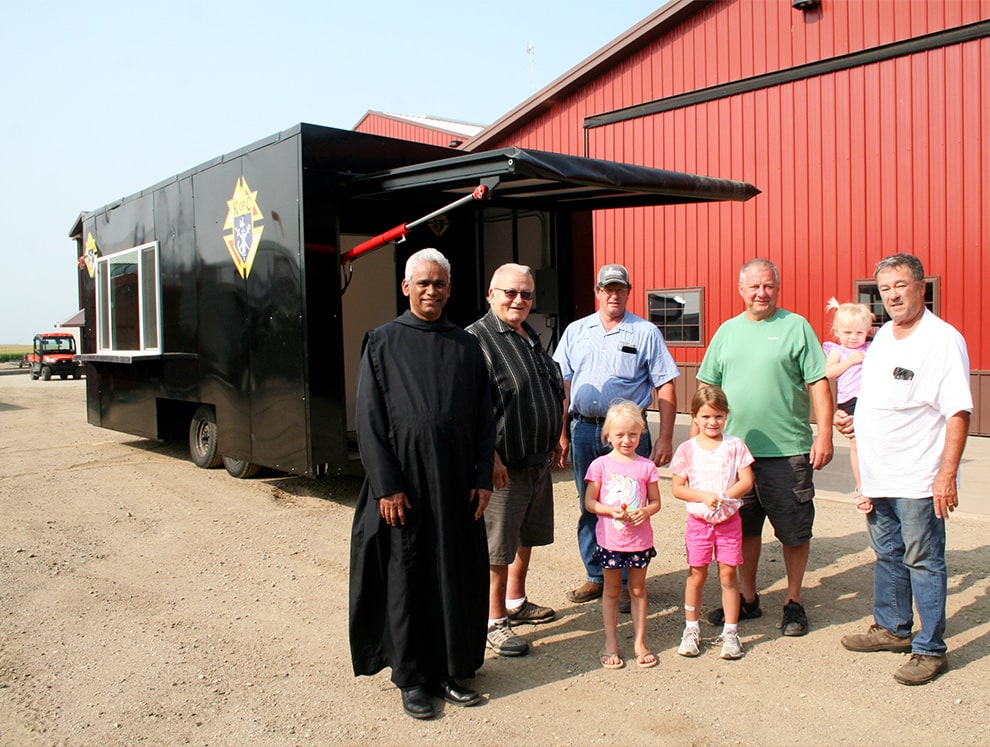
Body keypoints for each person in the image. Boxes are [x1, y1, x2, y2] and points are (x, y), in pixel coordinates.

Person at [348, 248, 496, 720]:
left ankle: (451, 670)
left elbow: (483, 418)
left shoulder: (466, 346)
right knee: (408, 578)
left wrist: (481, 476)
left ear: (450, 288)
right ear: (406, 287)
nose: (432, 290)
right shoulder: (382, 342)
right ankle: (412, 677)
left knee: (455, 576)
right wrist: (386, 485)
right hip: (404, 488)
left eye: (440, 283)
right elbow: (369, 421)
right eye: (423, 283)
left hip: (456, 485)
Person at [837, 253, 971, 686]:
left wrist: (946, 475)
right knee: (888, 556)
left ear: (921, 288)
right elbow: (881, 398)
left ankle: (930, 649)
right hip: (878, 475)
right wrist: (851, 417)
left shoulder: (942, 339)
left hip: (917, 477)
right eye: (885, 288)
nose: (892, 295)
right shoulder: (883, 340)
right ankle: (893, 629)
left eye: (900, 285)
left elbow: (957, 412)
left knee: (923, 560)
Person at [696, 258, 833, 636]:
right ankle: (748, 596)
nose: (761, 292)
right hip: (736, 455)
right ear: (740, 289)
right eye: (754, 286)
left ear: (777, 287)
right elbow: (708, 389)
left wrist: (824, 434)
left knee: (793, 530)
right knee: (743, 530)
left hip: (787, 452)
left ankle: (793, 601)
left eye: (769, 285)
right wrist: (703, 440)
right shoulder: (726, 332)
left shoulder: (796, 327)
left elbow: (818, 384)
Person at [554, 263, 679, 612]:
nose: (613, 294)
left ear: (628, 291)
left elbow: (666, 383)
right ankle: (598, 576)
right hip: (583, 429)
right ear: (597, 292)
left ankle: (628, 582)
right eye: (607, 288)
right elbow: (563, 384)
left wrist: (666, 437)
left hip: (627, 438)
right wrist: (560, 432)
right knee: (590, 504)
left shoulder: (645, 332)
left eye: (619, 289)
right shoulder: (577, 331)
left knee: (631, 505)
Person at [466, 263, 565, 658]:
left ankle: (515, 601)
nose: (519, 300)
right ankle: (494, 621)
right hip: (504, 465)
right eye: (510, 293)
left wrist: (558, 435)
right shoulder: (477, 340)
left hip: (537, 459)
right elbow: (471, 410)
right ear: (491, 294)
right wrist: (488, 458)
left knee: (527, 536)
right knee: (498, 547)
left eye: (525, 294)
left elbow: (549, 387)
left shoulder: (529, 335)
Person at [669, 385, 754, 660]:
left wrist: (726, 495)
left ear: (726, 416)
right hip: (699, 523)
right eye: (705, 417)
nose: (712, 422)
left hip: (729, 521)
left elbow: (747, 480)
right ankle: (691, 628)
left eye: (718, 416)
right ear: (694, 417)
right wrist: (703, 496)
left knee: (728, 575)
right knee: (697, 574)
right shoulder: (687, 449)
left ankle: (731, 632)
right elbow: (678, 487)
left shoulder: (735, 445)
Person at [583, 400, 662, 669]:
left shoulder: (646, 467)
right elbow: (590, 503)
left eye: (633, 434)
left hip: (639, 541)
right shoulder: (600, 465)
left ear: (641, 434)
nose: (626, 440)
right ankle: (610, 642)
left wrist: (646, 512)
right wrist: (609, 510)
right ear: (608, 435)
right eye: (619, 435)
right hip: (610, 541)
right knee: (612, 590)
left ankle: (640, 642)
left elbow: (655, 502)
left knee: (638, 589)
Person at [823, 297, 875, 513]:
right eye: (848, 333)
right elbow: (828, 372)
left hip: (871, 398)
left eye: (859, 333)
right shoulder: (838, 351)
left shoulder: (871, 347)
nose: (853, 338)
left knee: (873, 443)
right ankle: (861, 486)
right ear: (837, 331)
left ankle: (875, 483)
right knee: (856, 444)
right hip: (850, 401)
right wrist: (851, 361)